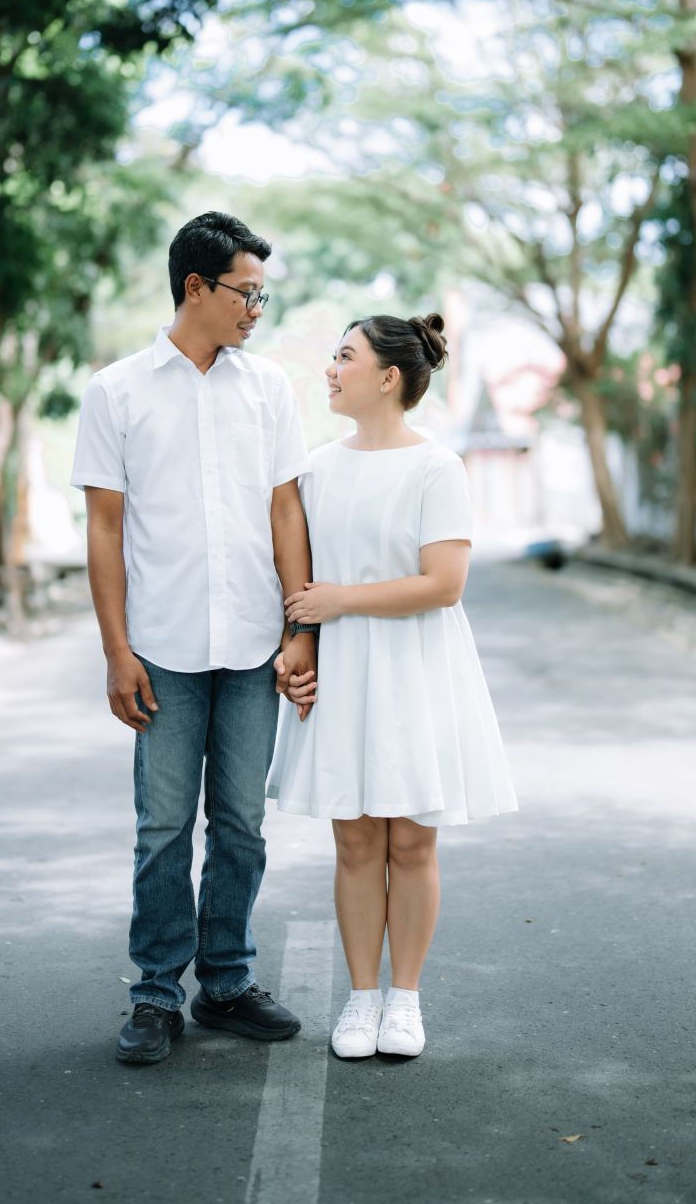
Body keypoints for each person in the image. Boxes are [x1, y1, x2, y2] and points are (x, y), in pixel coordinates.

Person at [71, 212, 318, 1065]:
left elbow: (285, 510)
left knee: (242, 823)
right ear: (195, 287)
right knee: (164, 828)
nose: (256, 309)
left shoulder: (268, 388)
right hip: (163, 647)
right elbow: (105, 529)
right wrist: (117, 651)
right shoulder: (116, 392)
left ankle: (226, 981)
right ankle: (154, 993)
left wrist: (297, 628)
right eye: (246, 292)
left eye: (261, 294)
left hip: (252, 643)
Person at [267, 313, 518, 1060]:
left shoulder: (436, 467)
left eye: (344, 356)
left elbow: (444, 584)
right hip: (344, 666)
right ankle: (361, 998)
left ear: (387, 377)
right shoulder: (315, 469)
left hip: (415, 666)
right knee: (353, 838)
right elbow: (297, 579)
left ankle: (404, 999)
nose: (330, 368)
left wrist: (338, 601)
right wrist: (299, 642)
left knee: (409, 840)